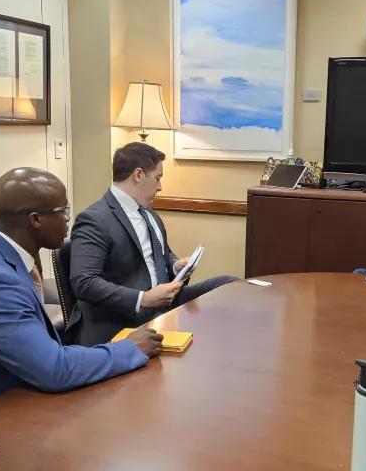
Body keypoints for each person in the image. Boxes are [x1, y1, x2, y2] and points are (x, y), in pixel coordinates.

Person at [0, 168, 162, 426]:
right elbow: (54, 369)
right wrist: (128, 349)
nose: (68, 219)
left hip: (16, 402)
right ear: (36, 220)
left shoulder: (7, 262)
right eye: (63, 210)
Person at [69, 143, 239, 346]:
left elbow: (162, 254)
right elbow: (84, 282)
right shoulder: (94, 219)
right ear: (138, 175)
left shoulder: (149, 214)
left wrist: (175, 266)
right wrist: (144, 298)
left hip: (163, 302)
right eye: (158, 178)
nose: (160, 187)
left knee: (229, 283)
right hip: (126, 314)